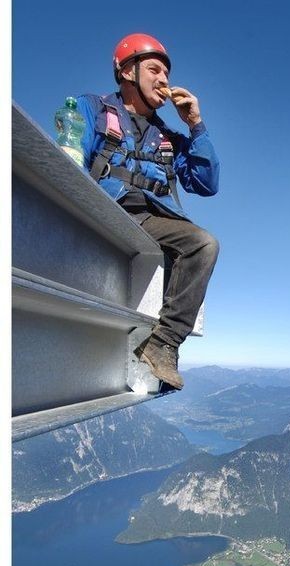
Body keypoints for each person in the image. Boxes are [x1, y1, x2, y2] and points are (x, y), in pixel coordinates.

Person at [76, 33, 220, 390]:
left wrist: (195, 125)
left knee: (203, 244)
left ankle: (163, 344)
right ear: (126, 72)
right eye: (154, 69)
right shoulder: (93, 109)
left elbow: (206, 183)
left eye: (166, 74)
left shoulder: (170, 137)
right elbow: (70, 160)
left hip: (147, 222)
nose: (164, 80)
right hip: (104, 212)